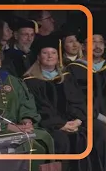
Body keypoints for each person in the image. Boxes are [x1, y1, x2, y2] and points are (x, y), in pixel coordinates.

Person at [0, 41, 55, 171]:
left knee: (45, 138)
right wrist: (12, 128)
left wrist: (27, 120)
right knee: (29, 146)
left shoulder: (13, 80)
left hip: (21, 128)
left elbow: (26, 102)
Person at [23, 36, 106, 171]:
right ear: (38, 57)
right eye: (45, 53)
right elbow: (41, 108)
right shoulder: (30, 81)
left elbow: (77, 100)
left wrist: (78, 120)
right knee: (63, 139)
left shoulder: (65, 76)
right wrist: (61, 124)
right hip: (50, 124)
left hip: (74, 120)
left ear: (58, 56)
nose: (50, 56)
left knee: (97, 131)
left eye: (53, 53)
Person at [66, 27, 106, 123]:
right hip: (88, 119)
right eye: (92, 42)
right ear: (83, 46)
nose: (97, 46)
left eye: (101, 42)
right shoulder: (73, 69)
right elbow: (75, 101)